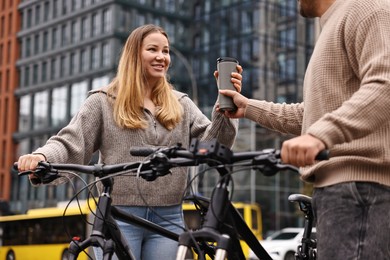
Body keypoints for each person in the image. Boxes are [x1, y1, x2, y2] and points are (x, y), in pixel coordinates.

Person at [17, 24, 243, 260]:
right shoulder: (102, 101)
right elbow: (71, 141)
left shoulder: (181, 103)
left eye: (165, 51)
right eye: (153, 49)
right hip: (117, 216)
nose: (161, 57)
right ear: (134, 55)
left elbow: (215, 145)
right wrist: (42, 157)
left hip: (169, 217)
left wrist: (224, 110)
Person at [219, 0, 390, 259]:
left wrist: (319, 136)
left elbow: (385, 84)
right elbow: (311, 114)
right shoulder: (331, 24)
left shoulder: (367, 6)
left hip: (362, 189)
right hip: (341, 191)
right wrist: (249, 107)